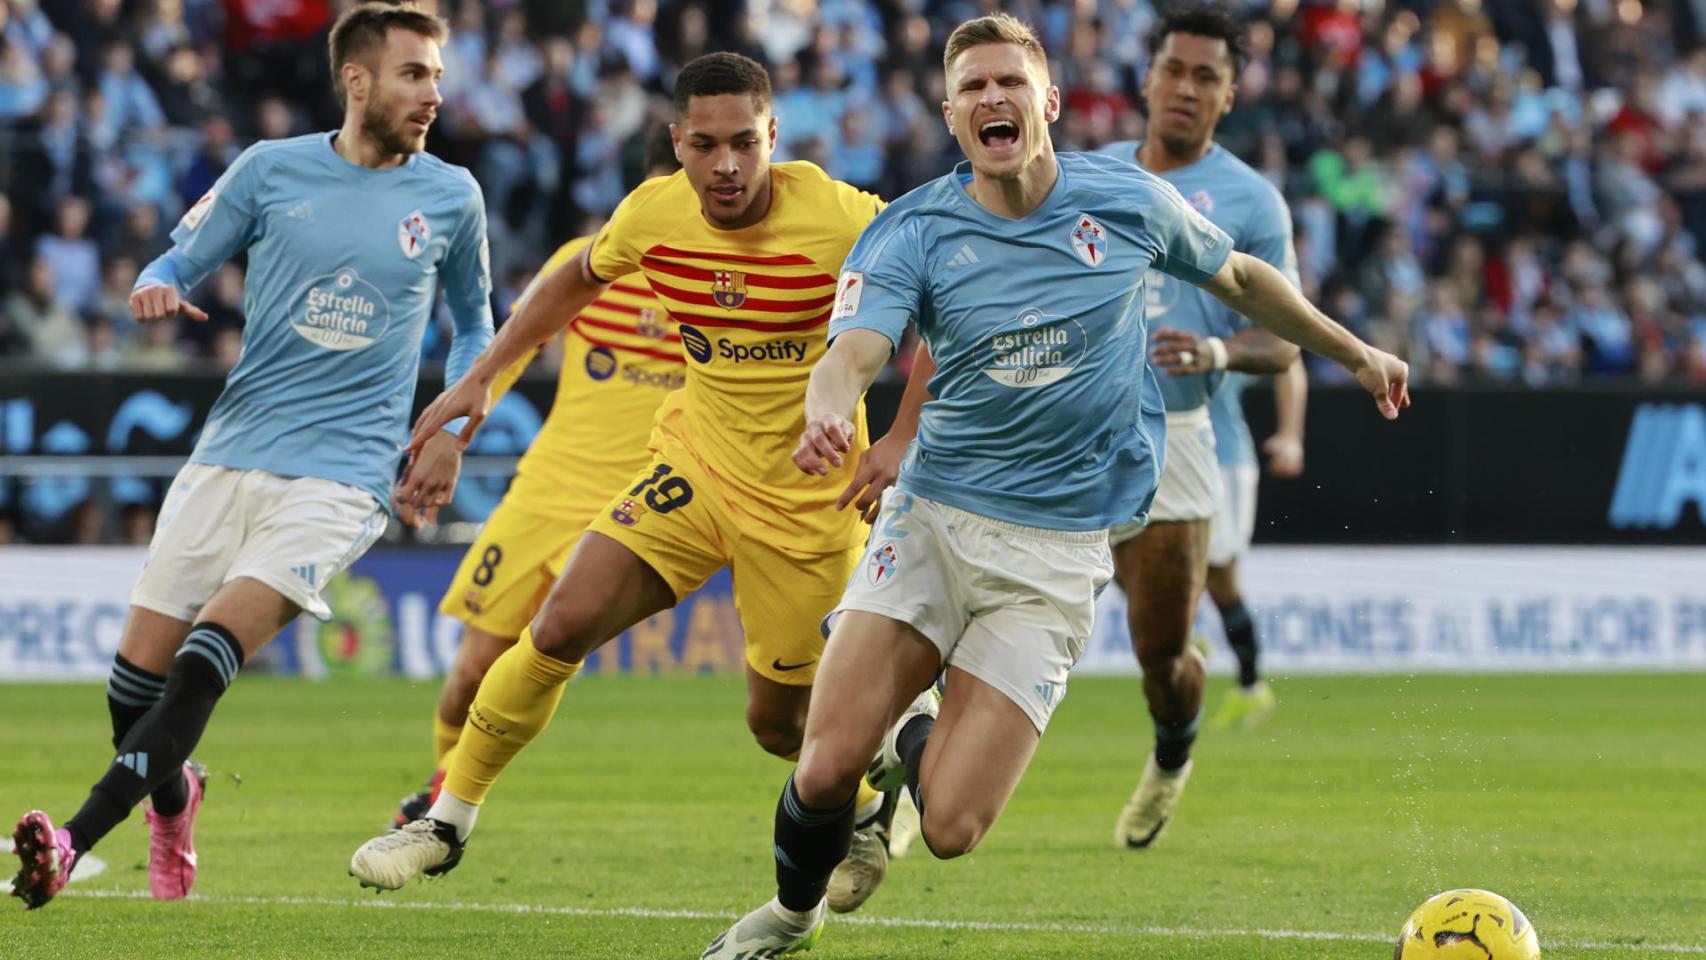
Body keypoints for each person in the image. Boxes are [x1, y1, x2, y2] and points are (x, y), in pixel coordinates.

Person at [700, 14, 1408, 957]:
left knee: (949, 827)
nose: (994, 99)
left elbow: (1240, 275)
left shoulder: (1124, 201)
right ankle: (787, 919)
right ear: (953, 117)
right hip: (936, 521)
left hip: (1058, 552)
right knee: (825, 765)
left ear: (1050, 103)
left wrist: (1356, 354)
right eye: (974, 89)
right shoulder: (912, 230)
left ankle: (910, 721)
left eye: (1009, 83)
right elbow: (854, 353)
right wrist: (830, 407)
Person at [349, 52, 914, 915]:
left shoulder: (845, 220)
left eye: (743, 145)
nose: (725, 167)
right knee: (560, 622)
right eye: (704, 146)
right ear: (677, 143)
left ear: (774, 136)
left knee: (777, 727)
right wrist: (482, 381)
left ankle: (873, 799)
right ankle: (446, 821)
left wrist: (902, 438)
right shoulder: (654, 214)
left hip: (808, 505)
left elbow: (951, 298)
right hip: (694, 470)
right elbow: (573, 279)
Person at [9, 2, 493, 911]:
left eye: (436, 75)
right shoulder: (270, 171)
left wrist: (453, 433)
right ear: (356, 79)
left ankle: (69, 842)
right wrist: (154, 292)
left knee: (203, 660)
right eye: (412, 74)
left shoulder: (451, 197)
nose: (432, 93)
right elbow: (173, 263)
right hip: (230, 451)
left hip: (342, 475)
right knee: (131, 692)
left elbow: (476, 329)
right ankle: (176, 797)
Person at [388, 125, 683, 829]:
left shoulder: (727, 288)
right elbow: (508, 354)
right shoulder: (588, 266)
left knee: (548, 659)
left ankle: (859, 791)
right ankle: (442, 789)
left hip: (651, 499)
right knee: (469, 676)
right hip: (549, 490)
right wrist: (454, 438)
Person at [1094, 1, 1306, 849]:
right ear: (1147, 77)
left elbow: (1283, 342)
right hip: (1064, 437)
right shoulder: (1088, 170)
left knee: (1160, 660)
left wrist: (1216, 356)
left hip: (1179, 443)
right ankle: (896, 802)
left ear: (1229, 95)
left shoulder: (1253, 202)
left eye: (1206, 77)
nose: (1186, 87)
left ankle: (1174, 751)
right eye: (1174, 70)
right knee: (972, 615)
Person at [1203, 361, 1306, 732]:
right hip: (1165, 461)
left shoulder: (1224, 309)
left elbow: (1286, 355)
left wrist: (1291, 434)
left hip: (1223, 462)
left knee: (1219, 579)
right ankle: (1185, 641)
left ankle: (1249, 686)